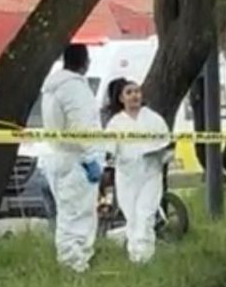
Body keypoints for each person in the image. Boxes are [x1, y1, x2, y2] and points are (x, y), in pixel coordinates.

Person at [41, 44, 105, 273]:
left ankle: (70, 263)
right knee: (79, 216)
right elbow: (81, 127)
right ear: (85, 62)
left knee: (67, 216)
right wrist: (89, 159)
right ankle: (75, 266)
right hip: (77, 160)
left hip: (58, 156)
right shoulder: (75, 89)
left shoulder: (52, 88)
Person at [103, 79, 172, 263]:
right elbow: (109, 151)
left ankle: (144, 257)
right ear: (121, 98)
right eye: (129, 92)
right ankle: (135, 257)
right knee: (133, 219)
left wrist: (160, 154)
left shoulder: (153, 119)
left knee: (145, 216)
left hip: (150, 174)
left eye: (137, 91)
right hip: (126, 177)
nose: (134, 96)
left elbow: (167, 146)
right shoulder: (116, 123)